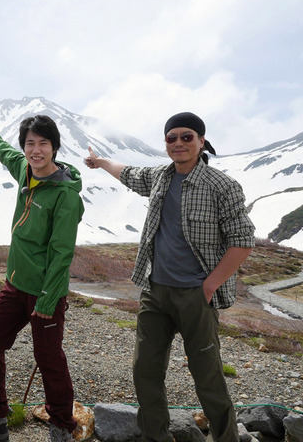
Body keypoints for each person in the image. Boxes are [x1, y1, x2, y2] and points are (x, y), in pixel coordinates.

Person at [84, 112, 255, 442]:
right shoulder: (159, 177)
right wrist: (100, 161)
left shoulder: (222, 186)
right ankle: (155, 436)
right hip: (155, 291)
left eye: (186, 137)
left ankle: (226, 438)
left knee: (207, 376)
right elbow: (128, 173)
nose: (178, 143)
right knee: (145, 370)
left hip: (196, 296)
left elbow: (242, 241)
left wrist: (209, 285)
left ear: (202, 141)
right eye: (171, 138)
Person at [0, 115, 84, 442]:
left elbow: (61, 252)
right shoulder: (25, 170)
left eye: (43, 143)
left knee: (49, 360)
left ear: (54, 147)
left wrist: (48, 298)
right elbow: (3, 152)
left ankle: (61, 429)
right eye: (30, 143)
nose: (36, 150)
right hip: (15, 286)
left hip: (45, 293)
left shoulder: (65, 195)